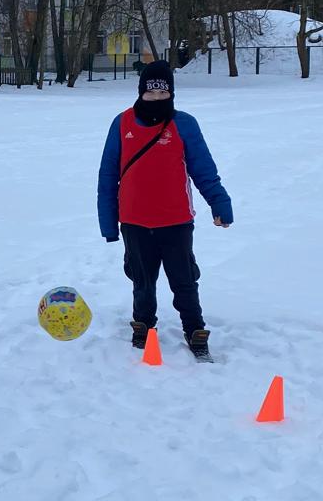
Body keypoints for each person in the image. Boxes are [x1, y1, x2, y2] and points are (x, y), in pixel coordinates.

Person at [97, 59, 233, 358]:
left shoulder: (184, 124)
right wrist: (108, 222)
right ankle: (143, 326)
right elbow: (108, 176)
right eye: (151, 92)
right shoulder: (122, 124)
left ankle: (194, 328)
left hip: (176, 220)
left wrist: (219, 202)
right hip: (134, 220)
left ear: (171, 93)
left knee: (184, 279)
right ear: (140, 92)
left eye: (163, 93)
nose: (157, 98)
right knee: (142, 280)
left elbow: (204, 170)